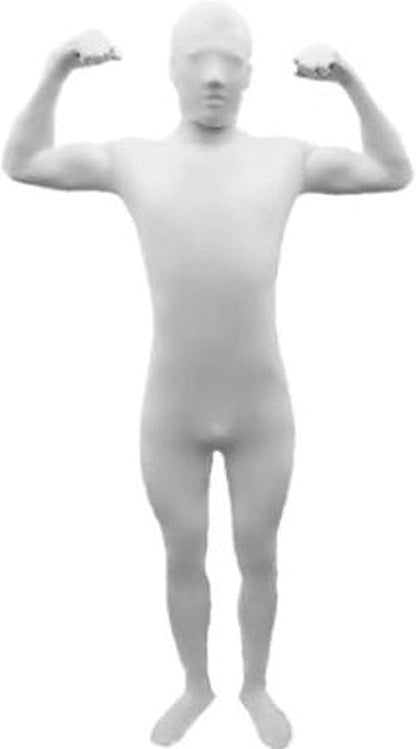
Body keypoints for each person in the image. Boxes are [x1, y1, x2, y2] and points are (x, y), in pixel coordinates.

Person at [2, 2, 413, 747]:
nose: (215, 76)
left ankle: (255, 684)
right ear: (171, 69)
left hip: (262, 411)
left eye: (230, 62)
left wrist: (350, 80)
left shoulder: (285, 159)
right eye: (198, 60)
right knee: (181, 554)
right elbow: (23, 162)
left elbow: (393, 172)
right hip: (172, 412)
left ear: (252, 73)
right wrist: (58, 66)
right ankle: (196, 684)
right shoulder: (132, 160)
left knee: (261, 556)